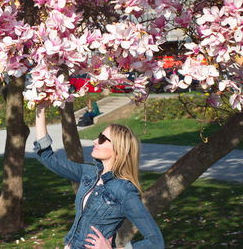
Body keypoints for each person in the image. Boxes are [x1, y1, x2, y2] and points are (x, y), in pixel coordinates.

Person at [34, 103, 164, 249]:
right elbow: (48, 157)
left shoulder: (124, 190)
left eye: (102, 139)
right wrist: (41, 110)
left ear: (118, 150)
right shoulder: (90, 173)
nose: (95, 141)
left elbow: (156, 242)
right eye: (98, 136)